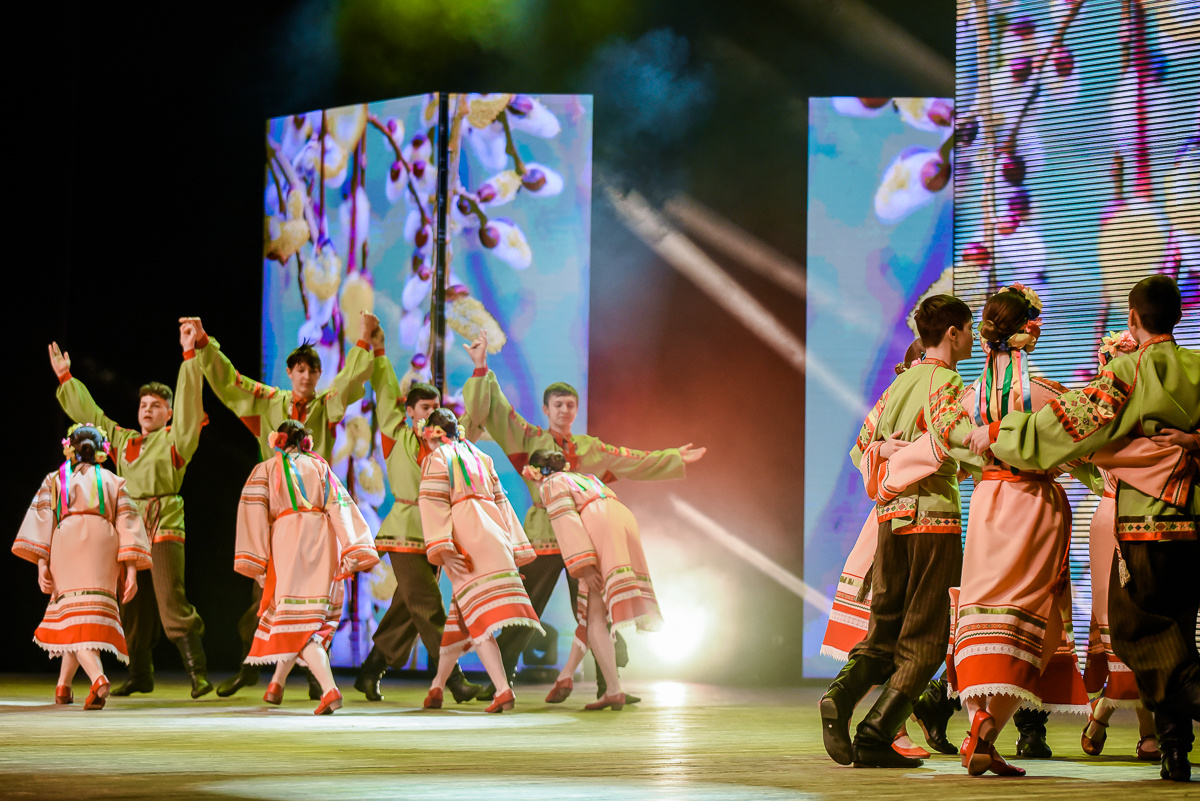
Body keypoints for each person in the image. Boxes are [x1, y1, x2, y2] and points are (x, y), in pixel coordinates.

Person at [974, 275, 1200, 783]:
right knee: (1178, 636)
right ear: (1178, 316)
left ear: (1133, 319)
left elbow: (1063, 425)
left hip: (1147, 525)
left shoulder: (1127, 371)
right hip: (1194, 523)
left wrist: (1000, 432)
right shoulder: (1196, 366)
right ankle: (1174, 750)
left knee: (1137, 634)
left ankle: (1173, 744)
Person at [463, 329, 706, 700]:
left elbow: (631, 460)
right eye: (558, 405)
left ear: (576, 410)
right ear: (546, 409)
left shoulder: (590, 448)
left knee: (596, 610)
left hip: (585, 540)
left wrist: (672, 457)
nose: (564, 410)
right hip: (545, 534)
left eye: (570, 405)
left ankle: (610, 685)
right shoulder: (529, 439)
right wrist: (481, 366)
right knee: (526, 606)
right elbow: (498, 411)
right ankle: (501, 682)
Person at [183, 313, 378, 698]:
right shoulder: (270, 402)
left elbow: (349, 382)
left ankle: (309, 678)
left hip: (315, 521)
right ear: (289, 373)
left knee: (315, 597)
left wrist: (362, 341)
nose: (306, 376)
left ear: (318, 375)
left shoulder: (325, 405)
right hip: (282, 520)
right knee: (267, 596)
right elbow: (230, 383)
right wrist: (203, 342)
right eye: (299, 369)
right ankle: (253, 666)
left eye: (312, 370)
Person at [818, 294, 976, 770]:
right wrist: (995, 449)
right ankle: (876, 733)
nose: (971, 337)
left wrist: (890, 451)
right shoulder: (946, 380)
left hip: (891, 517)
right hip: (933, 516)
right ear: (952, 333)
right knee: (926, 637)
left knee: (884, 629)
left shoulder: (898, 384)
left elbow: (861, 447)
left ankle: (840, 697)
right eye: (969, 329)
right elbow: (952, 434)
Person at [48, 323, 212, 698]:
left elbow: (190, 409)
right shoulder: (123, 441)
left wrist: (189, 356)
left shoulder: (176, 439)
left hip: (165, 521)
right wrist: (66, 378)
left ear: (169, 414)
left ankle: (197, 672)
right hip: (131, 526)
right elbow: (93, 417)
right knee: (132, 602)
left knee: (170, 598)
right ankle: (140, 673)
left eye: (156, 406)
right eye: (143, 405)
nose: (148, 410)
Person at [352, 321, 480, 704]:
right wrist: (378, 350)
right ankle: (454, 679)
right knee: (427, 604)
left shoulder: (448, 447)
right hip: (404, 531)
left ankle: (371, 668)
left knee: (407, 608)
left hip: (437, 534)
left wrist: (480, 369)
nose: (432, 415)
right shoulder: (397, 436)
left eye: (436, 409)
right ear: (409, 413)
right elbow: (384, 390)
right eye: (425, 409)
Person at [233, 421, 379, 714]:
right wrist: (351, 547)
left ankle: (329, 689)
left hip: (290, 541)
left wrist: (258, 561)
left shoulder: (267, 469)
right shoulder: (320, 467)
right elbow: (340, 506)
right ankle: (276, 685)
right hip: (322, 540)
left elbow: (254, 514)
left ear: (279, 440)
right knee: (302, 616)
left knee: (298, 622)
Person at [13, 425, 152, 709]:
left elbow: (43, 522)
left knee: (74, 618)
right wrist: (131, 571)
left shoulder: (55, 479)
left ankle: (98, 679)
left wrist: (42, 564)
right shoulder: (114, 480)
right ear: (101, 451)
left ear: (70, 449)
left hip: (67, 544)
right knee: (81, 619)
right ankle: (63, 687)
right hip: (102, 546)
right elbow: (128, 525)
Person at [416, 409, 540, 713]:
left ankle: (502, 689)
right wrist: (511, 549)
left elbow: (433, 503)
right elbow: (502, 503)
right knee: (461, 614)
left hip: (467, 537)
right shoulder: (482, 456)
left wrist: (444, 548)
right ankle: (436, 687)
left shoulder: (437, 457)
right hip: (494, 533)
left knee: (478, 619)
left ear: (432, 432)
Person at [523, 448, 662, 710]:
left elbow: (566, 522)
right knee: (590, 610)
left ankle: (613, 690)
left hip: (600, 522)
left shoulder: (551, 484)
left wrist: (584, 565)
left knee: (595, 614)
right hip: (621, 517)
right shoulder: (585, 478)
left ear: (537, 473)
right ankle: (567, 675)